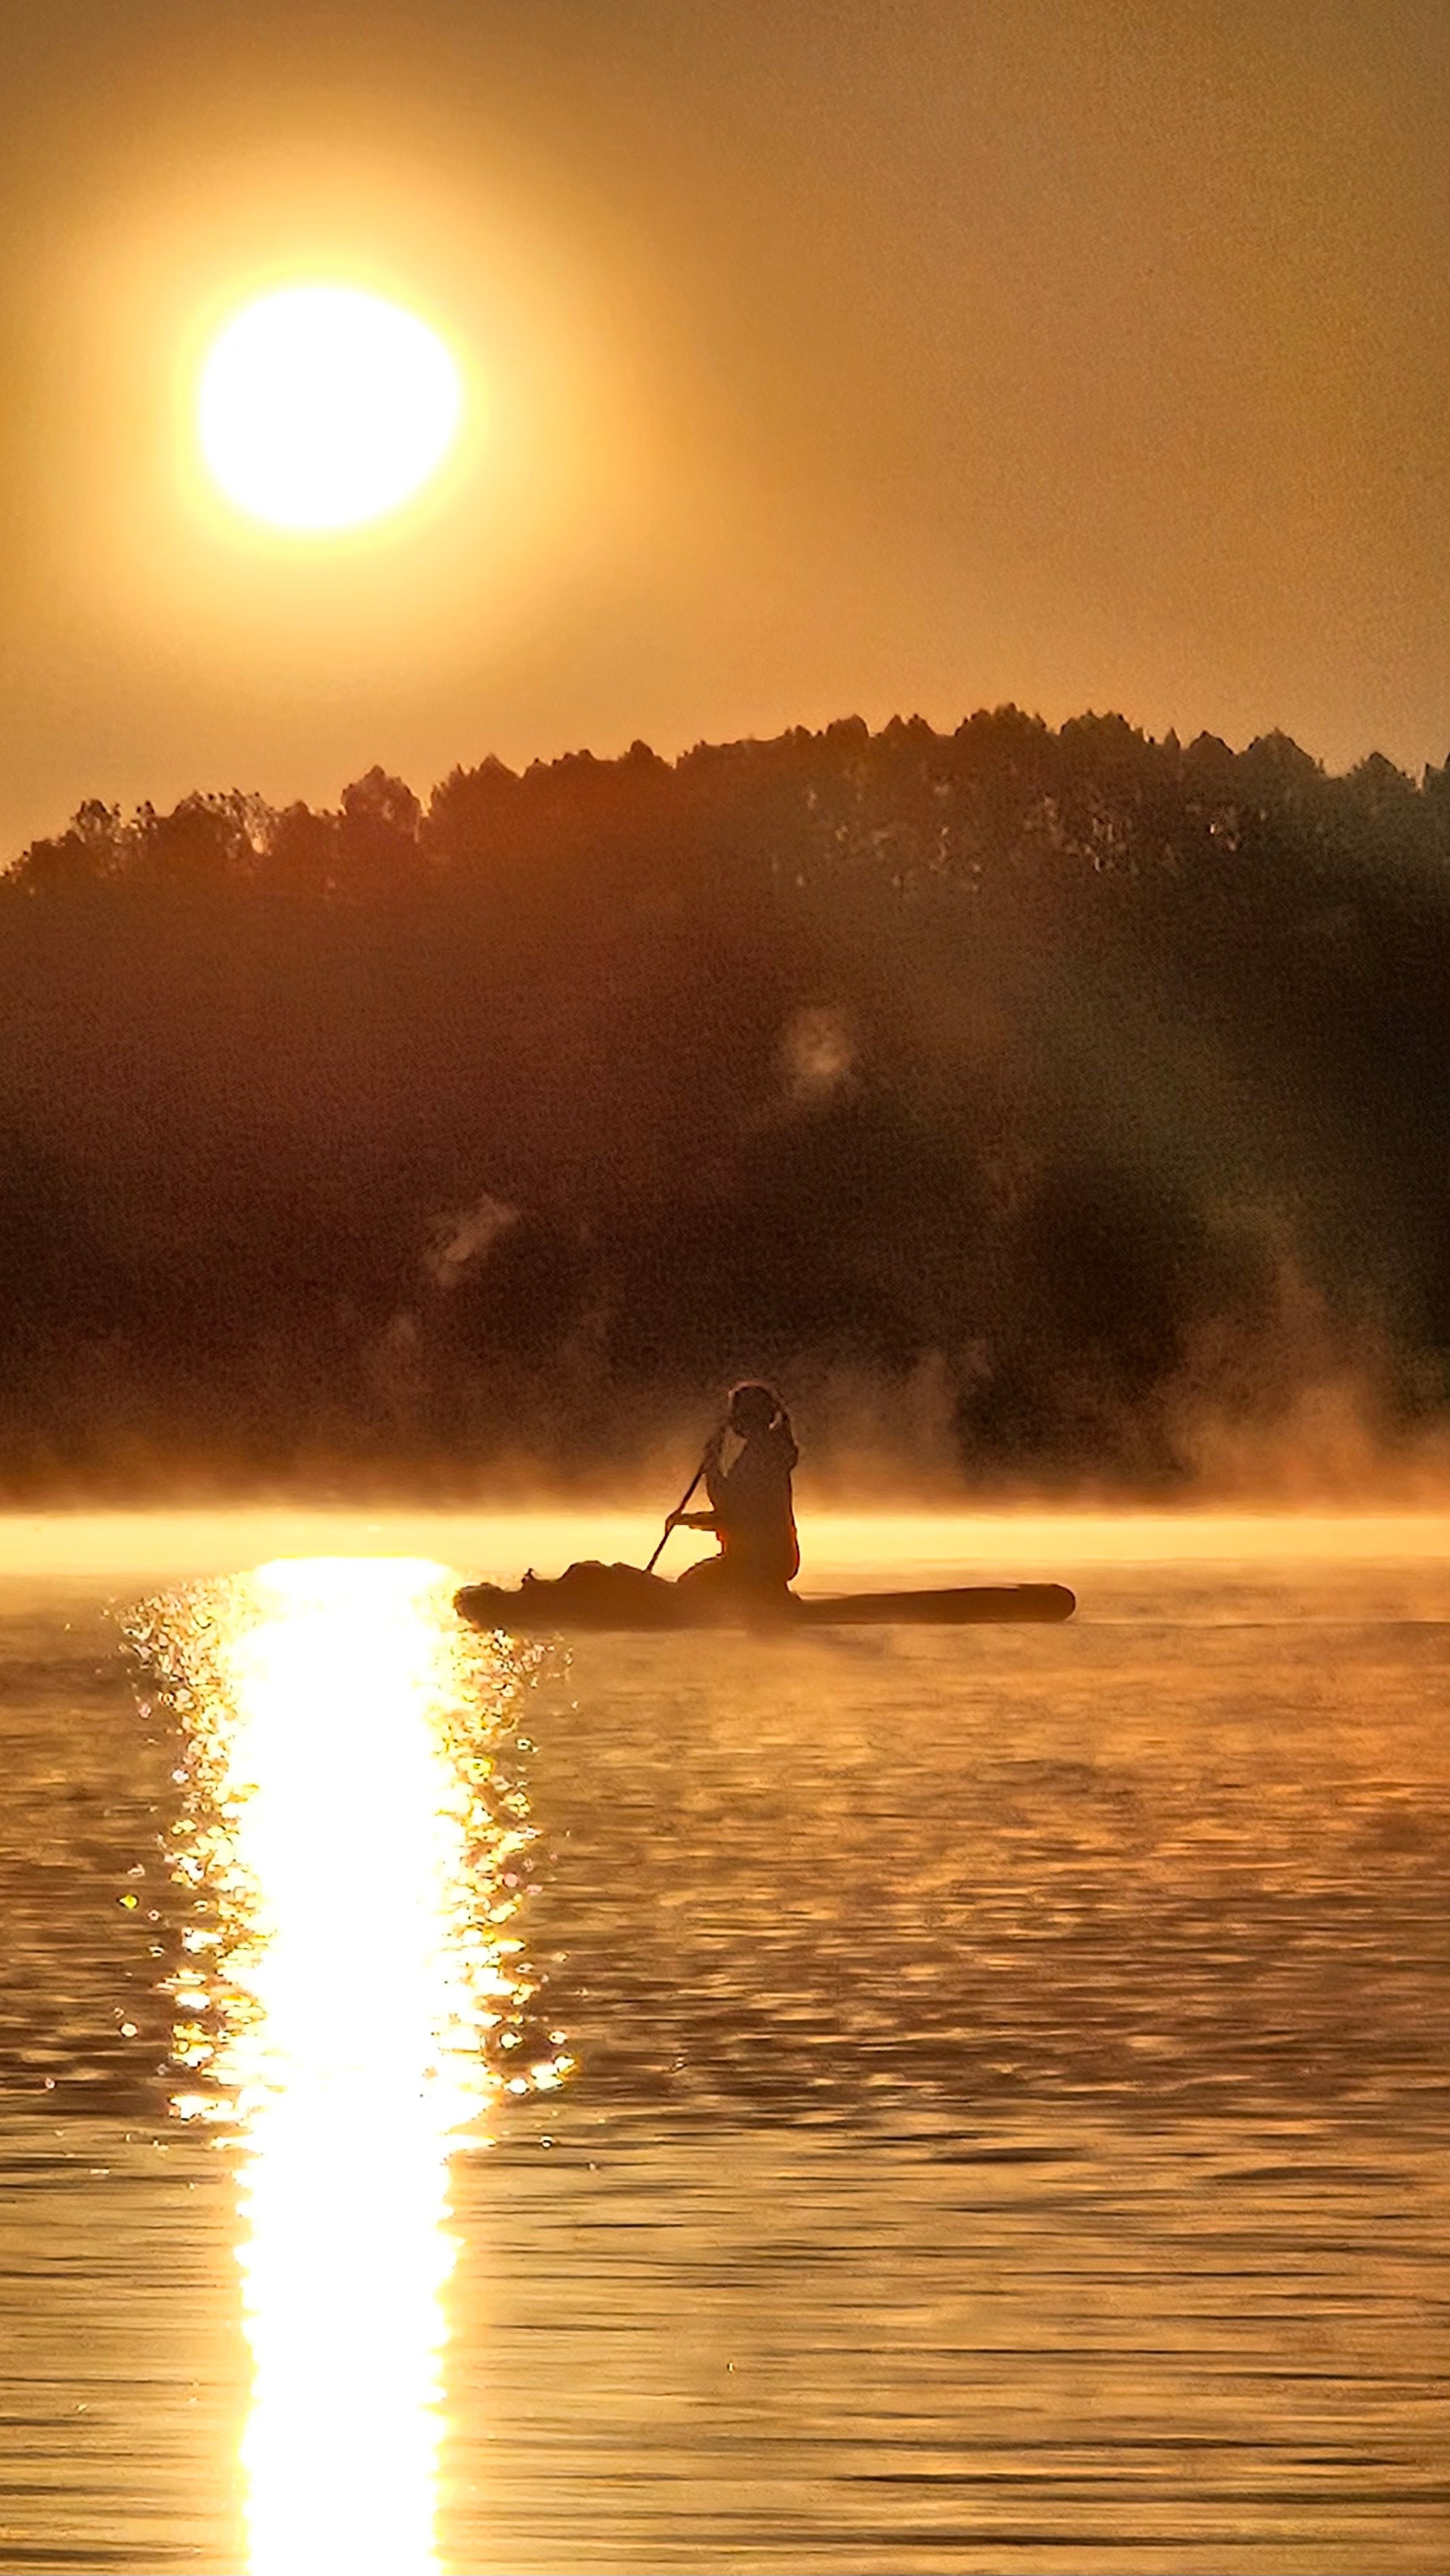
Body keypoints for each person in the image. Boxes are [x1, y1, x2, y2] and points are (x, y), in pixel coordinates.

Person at [670, 1382, 800, 1605]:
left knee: (687, 1590)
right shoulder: (764, 1450)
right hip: (767, 1560)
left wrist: (687, 1520)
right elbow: (728, 1501)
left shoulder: (763, 1456)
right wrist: (713, 1466)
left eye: (733, 1413)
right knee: (691, 1583)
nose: (729, 1420)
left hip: (756, 1562)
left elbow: (735, 1515)